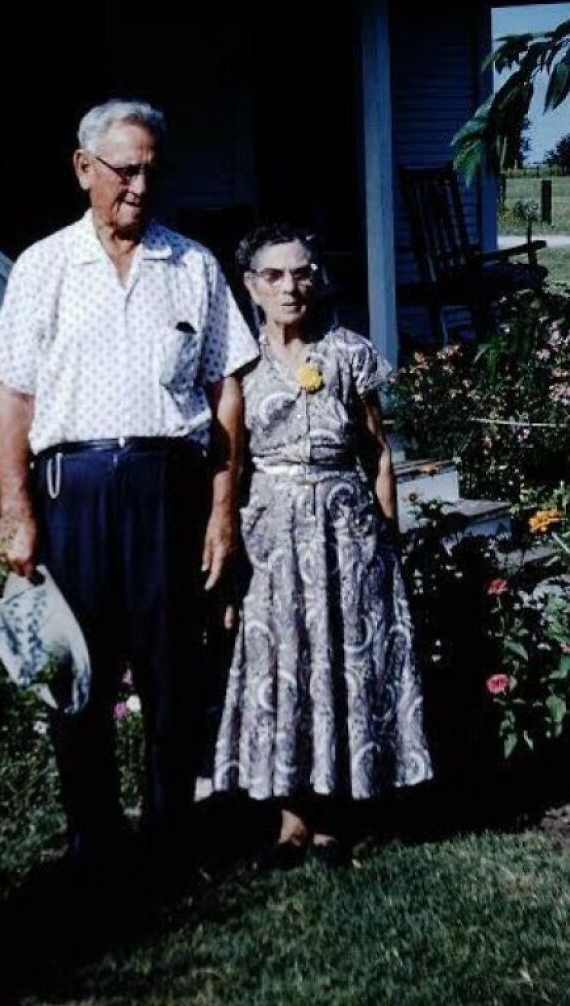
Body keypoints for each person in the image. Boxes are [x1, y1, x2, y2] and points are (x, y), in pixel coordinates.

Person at [0, 99, 259, 883]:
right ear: (83, 168)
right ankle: (93, 841)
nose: (137, 186)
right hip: (76, 487)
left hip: (169, 484)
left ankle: (172, 841)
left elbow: (225, 390)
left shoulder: (191, 264)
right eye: (122, 170)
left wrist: (222, 507)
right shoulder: (45, 266)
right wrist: (16, 512)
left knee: (174, 670)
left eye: (148, 171)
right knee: (78, 675)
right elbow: (11, 399)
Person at [213, 223, 433, 868]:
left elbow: (377, 451)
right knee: (285, 661)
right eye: (276, 275)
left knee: (340, 657)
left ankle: (337, 817)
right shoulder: (240, 364)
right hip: (273, 535)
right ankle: (291, 821)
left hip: (346, 529)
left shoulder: (348, 352)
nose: (292, 286)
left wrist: (386, 541)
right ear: (252, 287)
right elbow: (234, 462)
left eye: (303, 272)